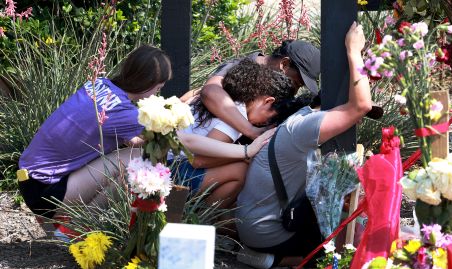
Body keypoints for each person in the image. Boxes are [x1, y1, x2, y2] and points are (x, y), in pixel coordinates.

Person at [17, 44, 274, 222]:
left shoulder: (99, 84)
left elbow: (130, 137)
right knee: (138, 163)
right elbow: (183, 141)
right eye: (159, 87)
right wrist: (247, 150)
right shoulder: (124, 114)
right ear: (149, 84)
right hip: (46, 191)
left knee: (137, 152)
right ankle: (79, 225)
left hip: (29, 175)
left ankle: (72, 220)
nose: (158, 93)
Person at [235, 22, 371, 268]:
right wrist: (354, 52)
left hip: (254, 222)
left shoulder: (304, 117)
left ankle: (269, 257)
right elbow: (361, 106)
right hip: (264, 232)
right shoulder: (304, 128)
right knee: (336, 249)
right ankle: (277, 260)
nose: (354, 124)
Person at [171, 59, 295, 208]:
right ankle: (199, 218)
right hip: (171, 172)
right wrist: (244, 157)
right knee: (240, 170)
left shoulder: (228, 96)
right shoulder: (237, 118)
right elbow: (199, 161)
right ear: (268, 101)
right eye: (271, 118)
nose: (265, 124)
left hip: (159, 158)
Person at [181, 39, 321, 140]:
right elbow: (210, 91)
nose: (295, 91)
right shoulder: (239, 68)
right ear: (284, 64)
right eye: (296, 83)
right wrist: (251, 131)